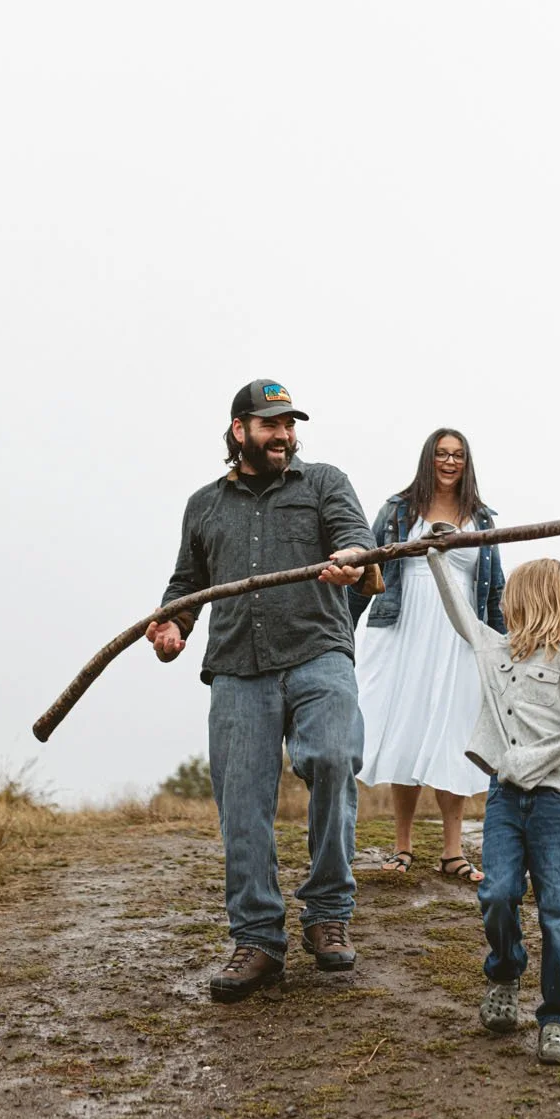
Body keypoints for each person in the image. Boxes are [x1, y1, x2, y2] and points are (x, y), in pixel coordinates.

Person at [146, 379, 381, 1003]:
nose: (283, 435)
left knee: (333, 759)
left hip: (319, 652)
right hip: (237, 667)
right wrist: (173, 624)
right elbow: (186, 585)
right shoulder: (203, 505)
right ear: (238, 430)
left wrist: (353, 560)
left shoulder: (324, 481)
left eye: (289, 425)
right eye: (270, 424)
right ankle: (257, 938)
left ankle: (328, 913)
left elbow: (356, 538)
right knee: (242, 803)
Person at [424, 539, 560, 1065]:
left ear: (535, 598)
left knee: (556, 913)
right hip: (505, 800)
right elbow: (460, 613)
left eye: (511, 595)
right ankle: (505, 974)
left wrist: (535, 759)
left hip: (556, 804)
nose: (502, 602)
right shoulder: (493, 650)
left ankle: (556, 1019)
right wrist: (436, 557)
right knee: (499, 893)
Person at [351, 428, 507, 883]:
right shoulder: (399, 511)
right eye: (441, 454)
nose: (449, 461)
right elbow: (366, 569)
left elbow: (493, 588)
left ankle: (452, 850)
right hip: (404, 630)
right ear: (428, 458)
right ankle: (402, 846)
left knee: (452, 731)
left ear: (467, 462)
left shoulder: (481, 518)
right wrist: (344, 625)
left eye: (458, 455)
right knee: (408, 728)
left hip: (458, 633)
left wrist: (502, 643)